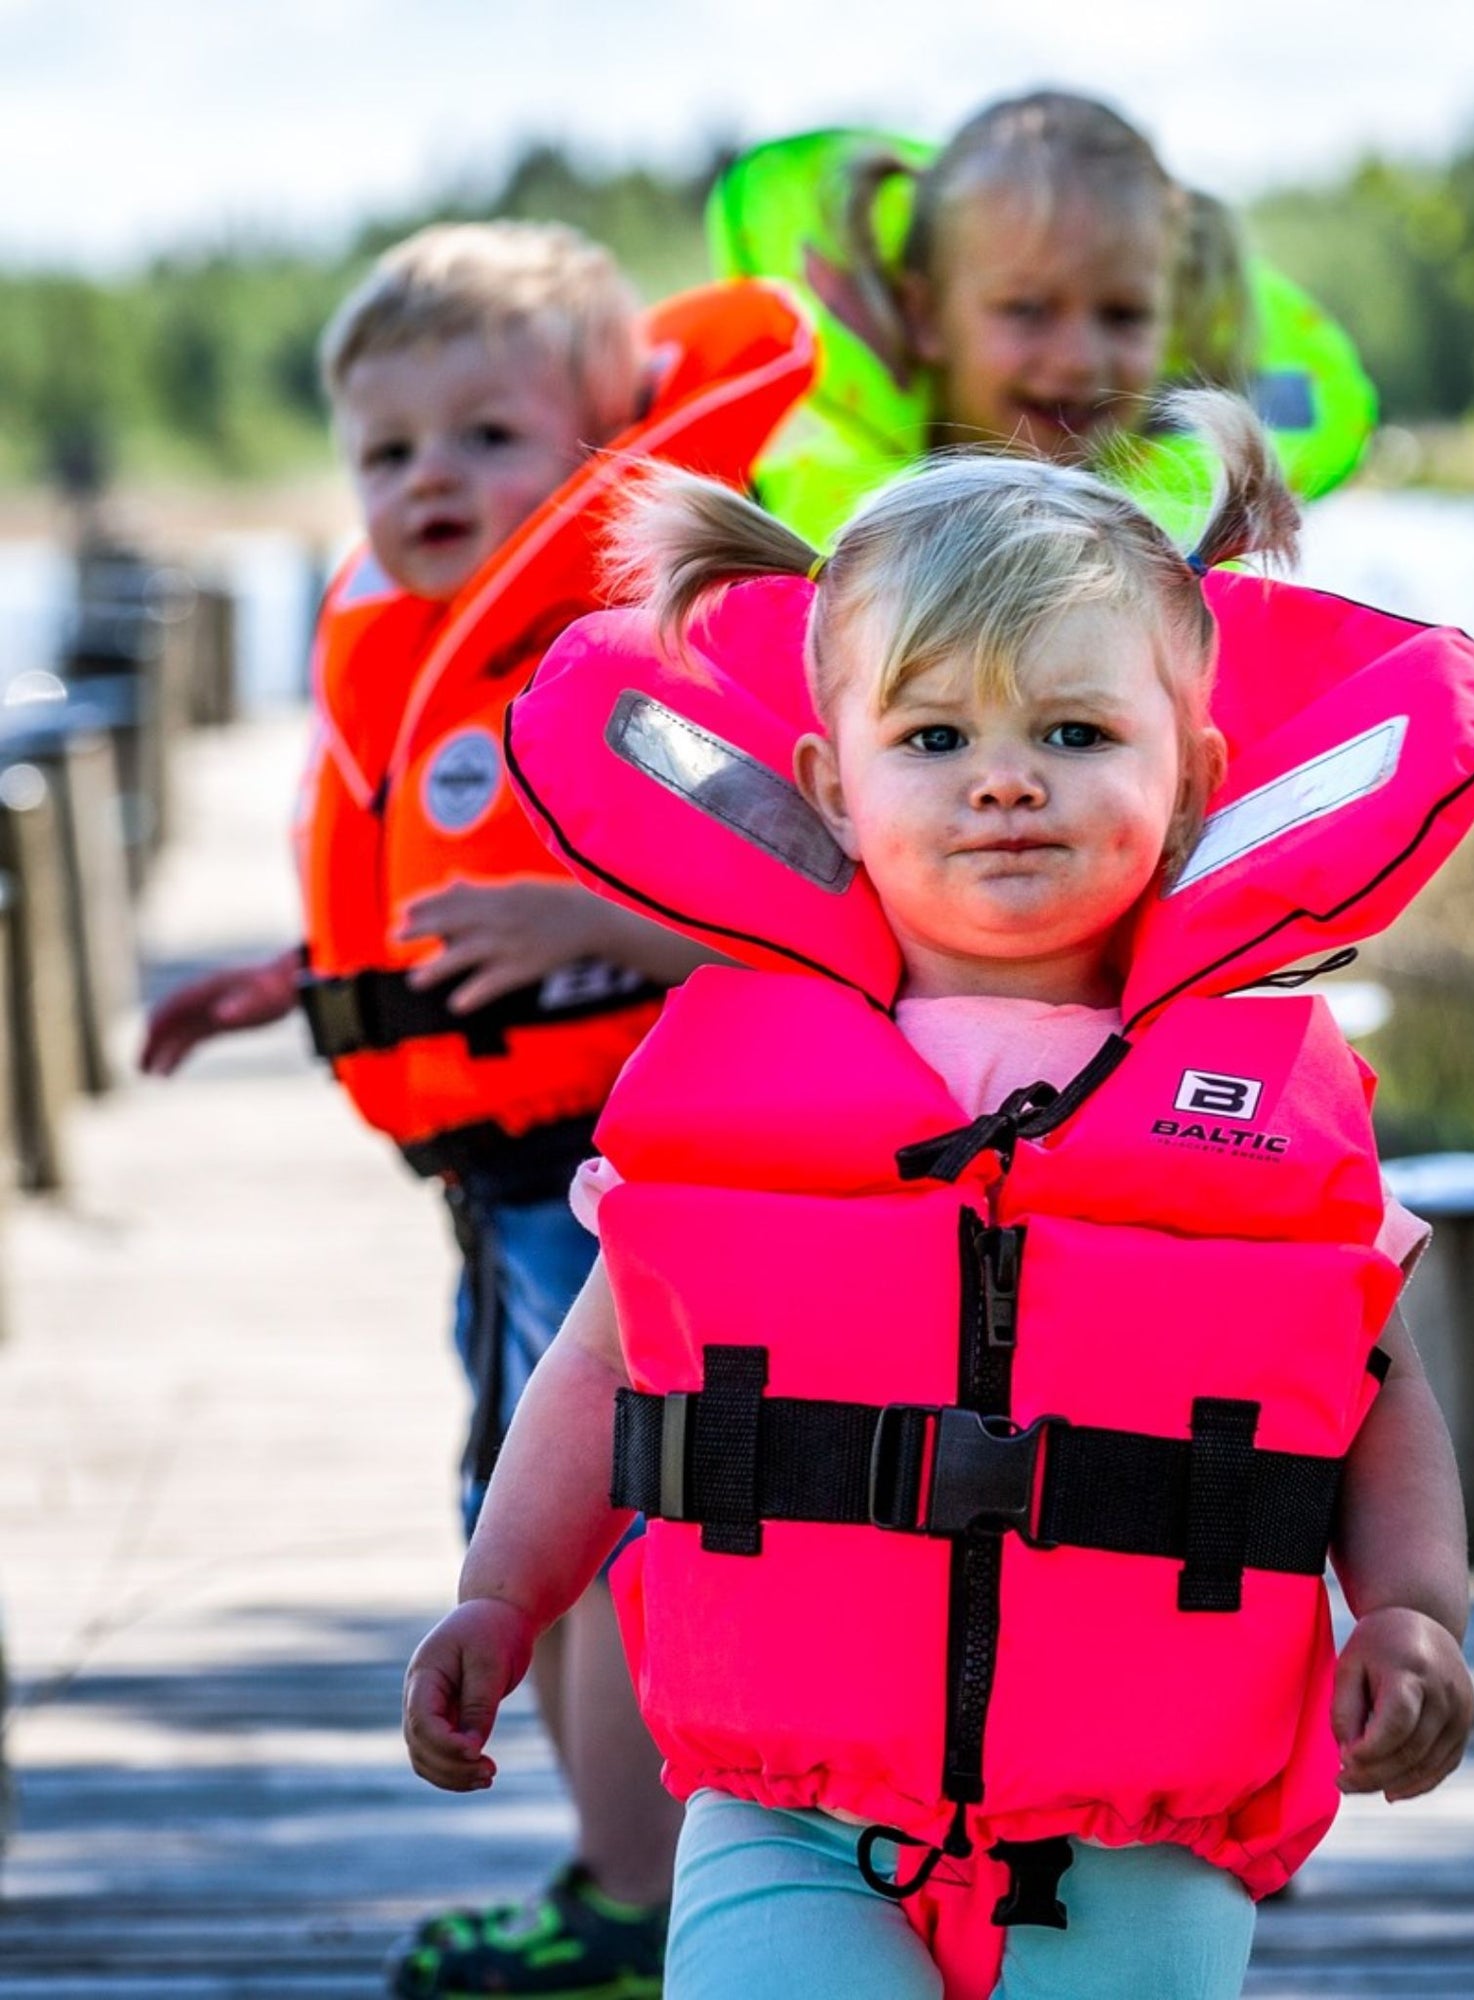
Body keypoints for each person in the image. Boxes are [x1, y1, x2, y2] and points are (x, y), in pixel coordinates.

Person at [402, 390, 1474, 1999]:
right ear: (831, 785)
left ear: (1191, 776)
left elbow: (1374, 1386)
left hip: (1140, 1823)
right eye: (934, 739)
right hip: (784, 1810)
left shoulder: (1257, 1092)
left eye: (1073, 734)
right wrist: (501, 1597)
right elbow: (600, 1364)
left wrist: (1414, 1614)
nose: (1005, 784)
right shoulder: (733, 1083)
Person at [140, 221, 814, 2000]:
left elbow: (822, 903)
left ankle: (632, 1905)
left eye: (489, 437)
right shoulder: (429, 642)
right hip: (504, 1189)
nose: (429, 476)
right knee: (556, 1540)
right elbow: (437, 895)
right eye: (387, 449)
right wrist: (297, 979)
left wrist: (603, 925)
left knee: (602, 1548)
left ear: (608, 453)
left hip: (625, 1190)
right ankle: (625, 1885)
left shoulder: (662, 642)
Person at [707, 89, 1379, 544]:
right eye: (1027, 310)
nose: (1079, 359)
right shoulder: (781, 516)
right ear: (926, 315)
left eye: (1123, 315)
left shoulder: (1201, 537)